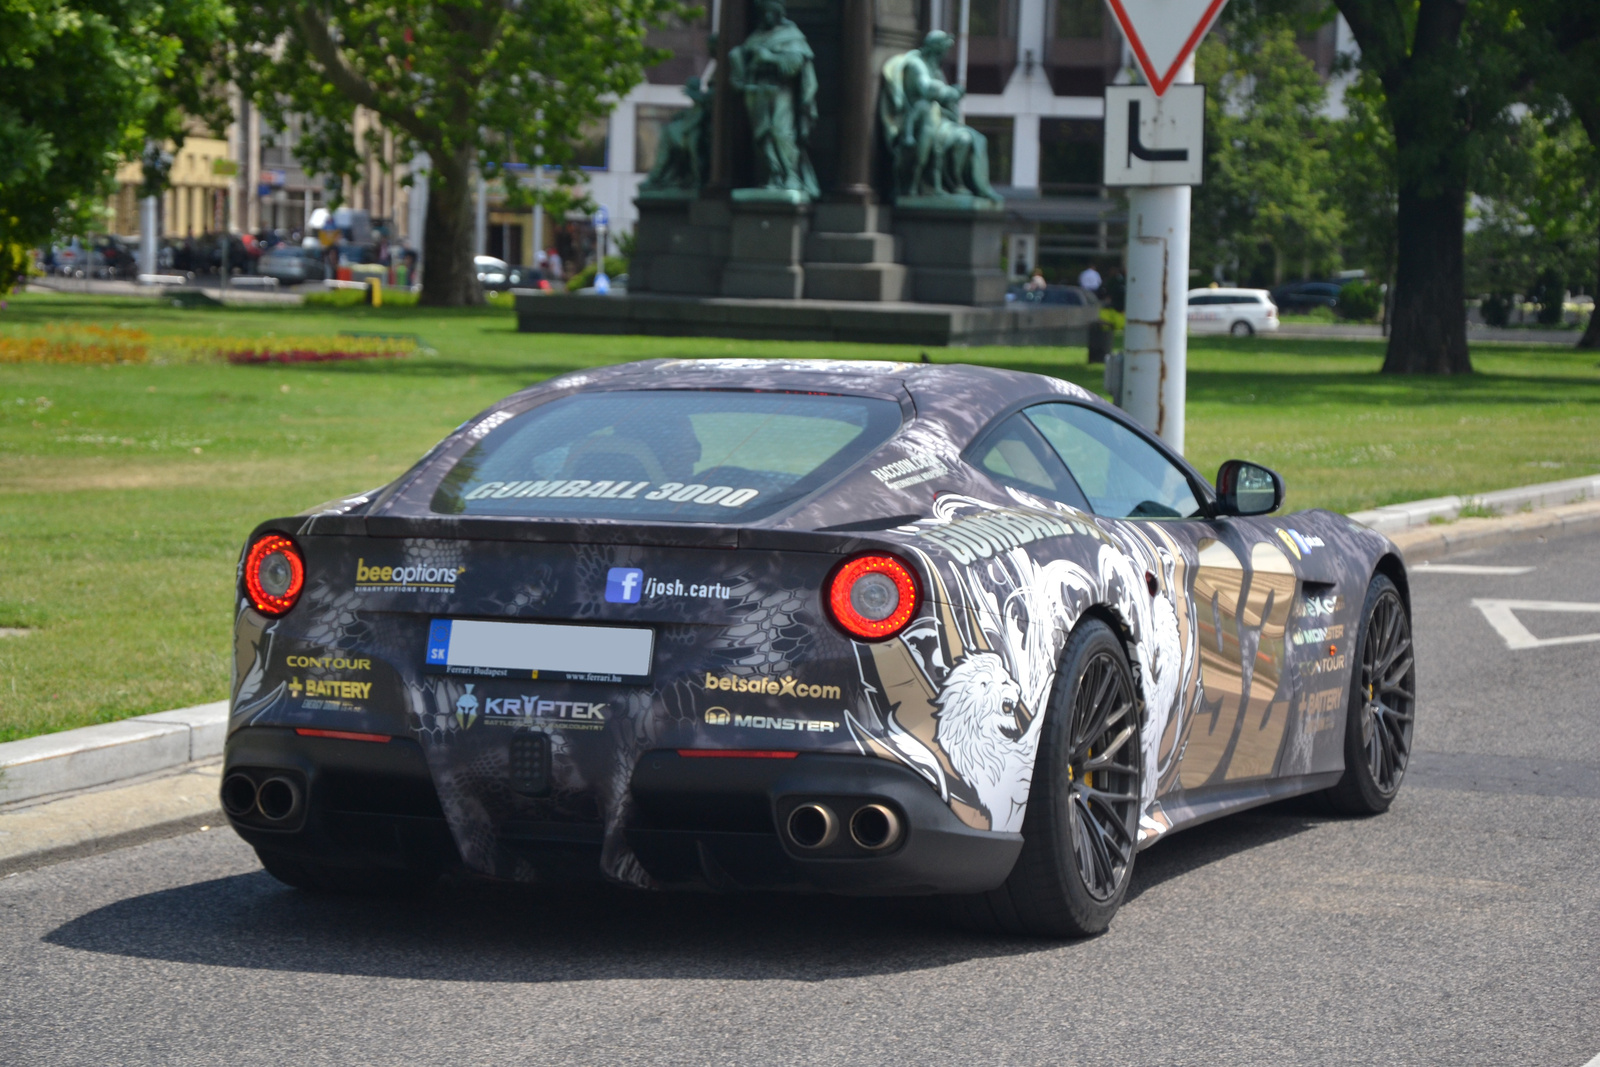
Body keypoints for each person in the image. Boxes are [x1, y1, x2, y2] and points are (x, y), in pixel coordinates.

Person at [727, 0, 819, 198]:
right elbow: (741, 61)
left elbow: (795, 65)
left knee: (781, 133)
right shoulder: (756, 37)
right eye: (763, 12)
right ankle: (775, 175)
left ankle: (792, 176)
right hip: (756, 91)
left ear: (778, 13)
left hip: (780, 90)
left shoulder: (791, 35)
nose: (766, 16)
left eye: (769, 12)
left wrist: (769, 58)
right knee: (762, 136)